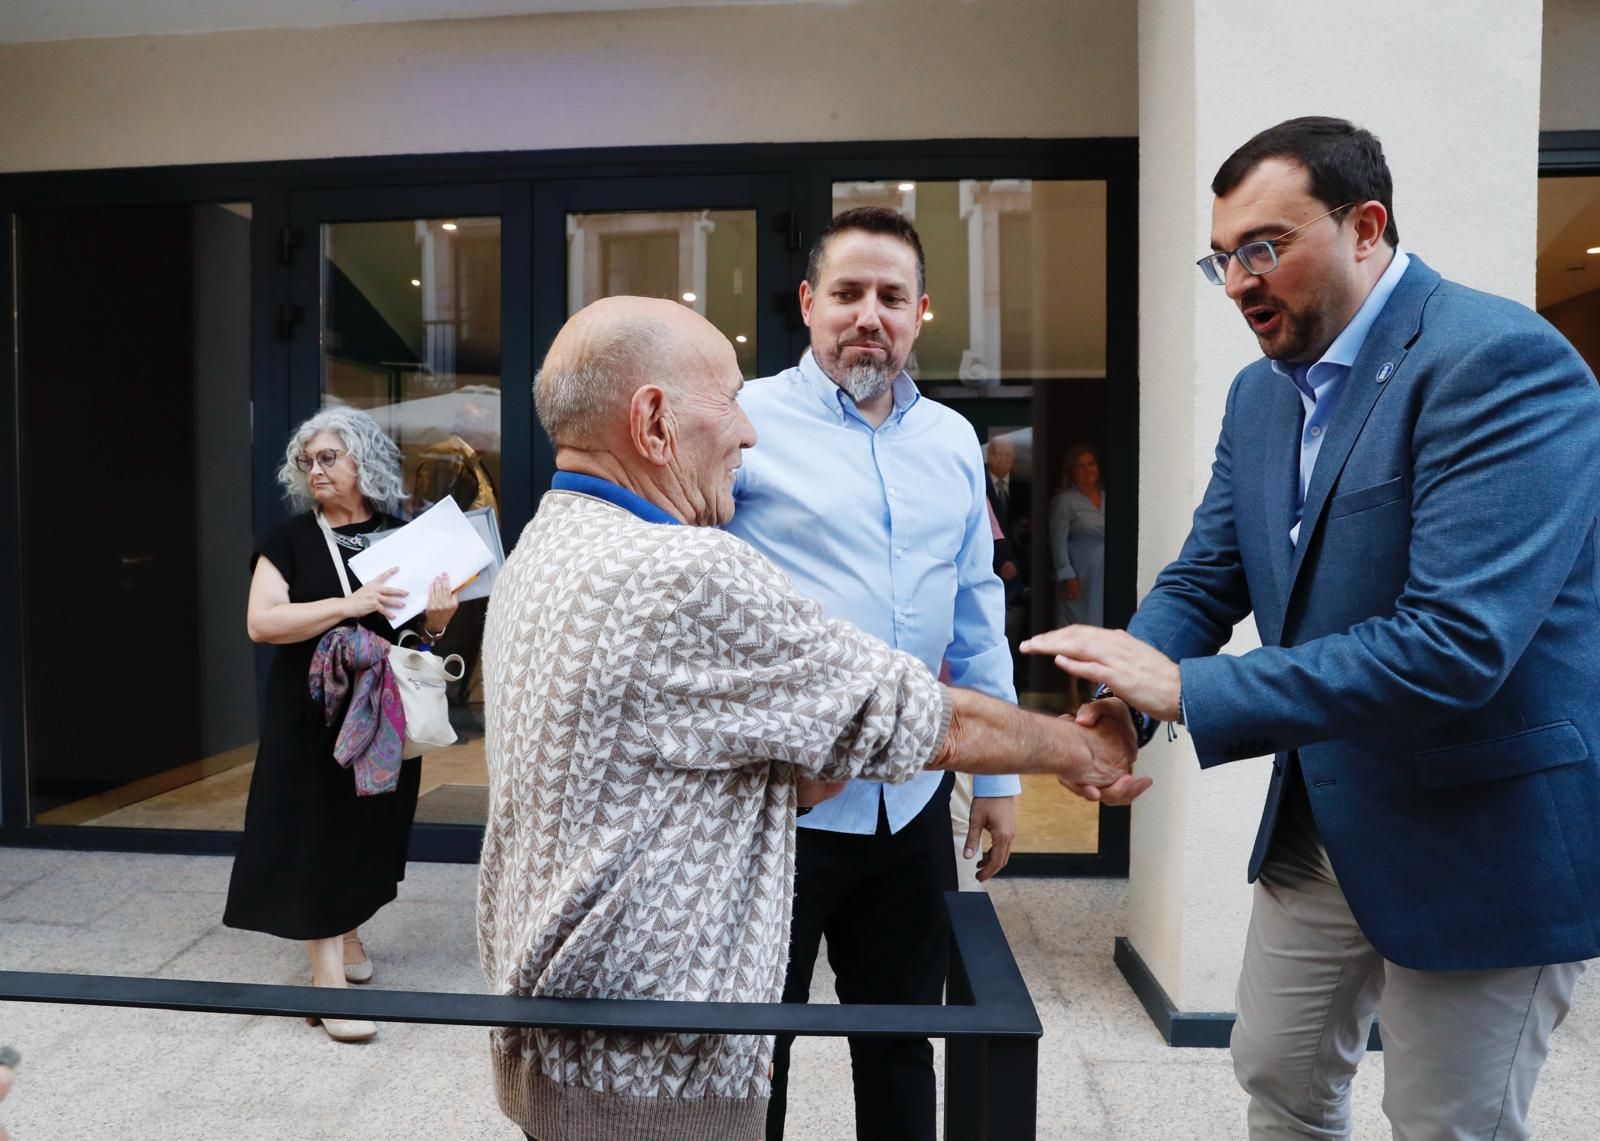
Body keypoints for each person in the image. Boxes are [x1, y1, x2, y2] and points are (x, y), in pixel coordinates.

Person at [1025, 116, 1600, 1139]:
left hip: (1478, 831)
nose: (1240, 277)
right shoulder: (1259, 397)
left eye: (1264, 245)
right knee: (1277, 1077)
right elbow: (1210, 573)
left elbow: (1454, 643)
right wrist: (1121, 705)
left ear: (1365, 225)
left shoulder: (1500, 362)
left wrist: (1191, 692)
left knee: (1446, 1122)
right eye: (1222, 257)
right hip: (1321, 818)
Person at [477, 295, 1146, 1141]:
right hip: (652, 1084)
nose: (749, 436)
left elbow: (642, 773)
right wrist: (1083, 749)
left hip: (561, 1054)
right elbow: (928, 720)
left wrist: (808, 742)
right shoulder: (682, 572)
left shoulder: (547, 541)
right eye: (727, 401)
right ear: (653, 422)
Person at [724, 206, 1018, 1141]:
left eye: (891, 296)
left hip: (912, 803)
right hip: (781, 806)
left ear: (921, 312)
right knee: (750, 1048)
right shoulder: (746, 421)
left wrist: (998, 778)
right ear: (809, 304)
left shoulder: (954, 444)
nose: (868, 314)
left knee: (901, 1041)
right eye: (847, 293)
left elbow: (977, 618)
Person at [224, 407, 458, 1044]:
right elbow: (262, 623)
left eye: (328, 457)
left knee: (368, 829)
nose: (316, 470)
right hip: (309, 712)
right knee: (313, 831)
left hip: (381, 710)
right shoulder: (290, 539)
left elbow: (408, 636)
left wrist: (436, 624)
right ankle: (327, 989)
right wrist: (345, 606)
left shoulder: (400, 535)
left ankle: (349, 927)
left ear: (363, 461)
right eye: (308, 461)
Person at [1048, 445, 1104, 629]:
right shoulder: (1064, 501)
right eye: (1081, 466)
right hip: (1080, 577)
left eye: (1091, 464)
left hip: (1105, 575)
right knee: (1080, 627)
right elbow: (1058, 543)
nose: (1088, 469)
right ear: (1072, 472)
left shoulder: (1109, 497)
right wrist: (1068, 577)